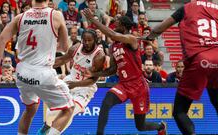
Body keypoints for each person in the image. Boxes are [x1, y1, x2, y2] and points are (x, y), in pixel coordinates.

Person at [0, 0, 75, 134]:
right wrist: (49, 45)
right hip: (42, 73)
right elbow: (65, 47)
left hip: (22, 72)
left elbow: (0, 41)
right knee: (68, 109)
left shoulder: (20, 17)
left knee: (31, 108)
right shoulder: (56, 15)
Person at [82, 9, 166, 135]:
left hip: (139, 86)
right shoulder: (113, 46)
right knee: (106, 102)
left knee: (140, 126)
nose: (115, 25)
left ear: (124, 26)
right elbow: (112, 70)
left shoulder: (132, 39)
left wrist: (93, 20)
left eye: (117, 23)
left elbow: (113, 35)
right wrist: (94, 74)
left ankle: (160, 127)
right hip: (124, 85)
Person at [144, 0, 218, 134]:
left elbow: (160, 28)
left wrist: (149, 36)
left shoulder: (187, 7)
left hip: (200, 59)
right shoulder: (217, 8)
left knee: (180, 111)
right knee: (216, 100)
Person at [37, 29, 106, 134]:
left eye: (89, 40)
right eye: (84, 40)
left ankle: (52, 133)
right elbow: (62, 59)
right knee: (53, 111)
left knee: (70, 111)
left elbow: (93, 80)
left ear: (95, 40)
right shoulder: (76, 48)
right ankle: (47, 126)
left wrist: (75, 85)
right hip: (70, 81)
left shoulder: (99, 56)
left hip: (85, 88)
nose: (86, 43)